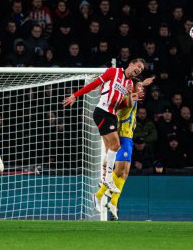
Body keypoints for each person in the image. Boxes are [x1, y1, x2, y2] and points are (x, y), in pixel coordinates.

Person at [64, 58, 146, 193]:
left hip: (112, 115)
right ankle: (108, 178)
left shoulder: (129, 83)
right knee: (116, 145)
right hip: (102, 111)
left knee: (109, 149)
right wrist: (75, 95)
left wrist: (131, 96)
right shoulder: (113, 72)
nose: (139, 70)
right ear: (131, 64)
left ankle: (103, 179)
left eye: (141, 69)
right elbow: (94, 84)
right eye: (138, 66)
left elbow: (121, 105)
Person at [92, 77, 154, 220]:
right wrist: (133, 92)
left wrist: (141, 84)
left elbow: (134, 91)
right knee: (119, 170)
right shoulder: (127, 98)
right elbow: (127, 100)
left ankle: (113, 202)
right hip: (122, 135)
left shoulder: (134, 96)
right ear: (131, 88)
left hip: (129, 136)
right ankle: (100, 194)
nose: (142, 91)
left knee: (125, 172)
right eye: (139, 88)